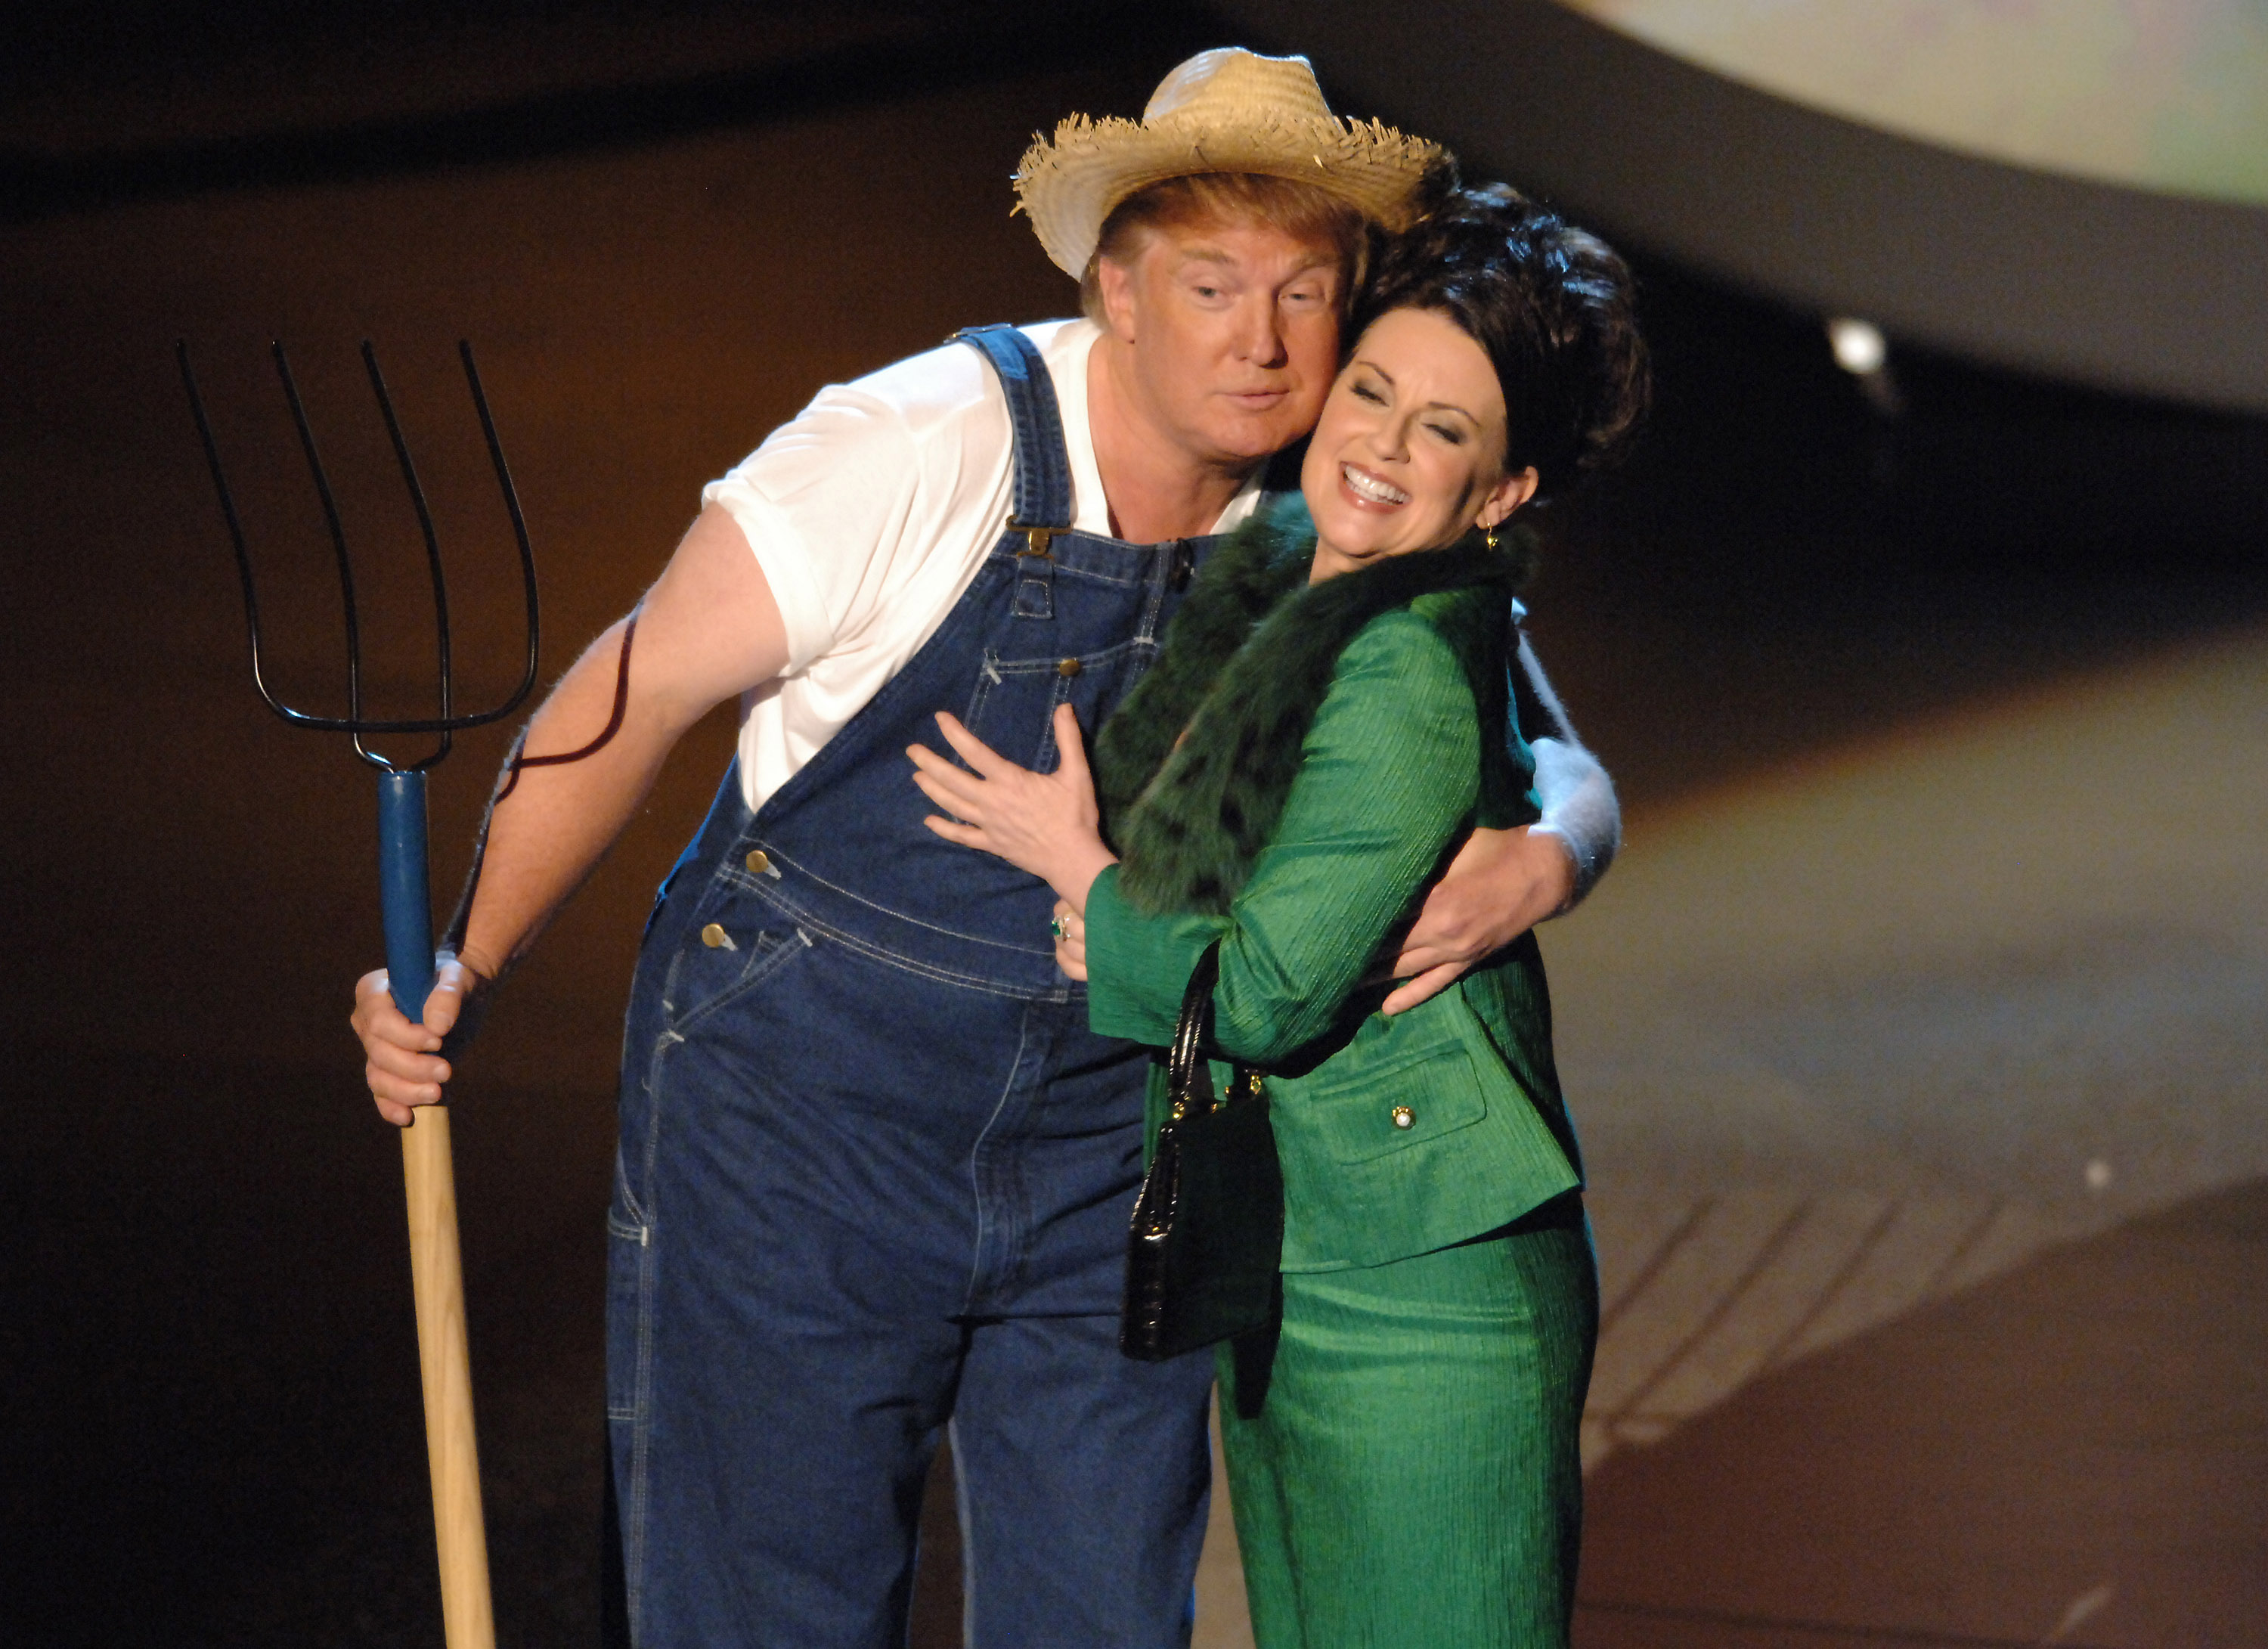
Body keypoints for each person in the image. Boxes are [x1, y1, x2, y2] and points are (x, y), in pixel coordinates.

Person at [350, 50, 1622, 1649]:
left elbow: (1528, 718)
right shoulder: (913, 444)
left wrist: (1561, 848)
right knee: (772, 1609)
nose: (1263, 340)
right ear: (1118, 286)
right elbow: (639, 677)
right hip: (804, 1128)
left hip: (1110, 1151)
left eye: (1308, 294)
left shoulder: (1317, 501)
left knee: (1102, 1612)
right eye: (1211, 284)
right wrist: (465, 955)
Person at [906, 182, 1646, 1646]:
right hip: (1305, 1250)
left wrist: (1086, 879)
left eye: (1446, 431)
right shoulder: (1283, 549)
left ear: (1500, 498)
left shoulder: (1404, 668)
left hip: (1429, 1292)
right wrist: (1571, 831)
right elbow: (1558, 748)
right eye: (1374, 388)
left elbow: (1254, 996)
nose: (1381, 442)